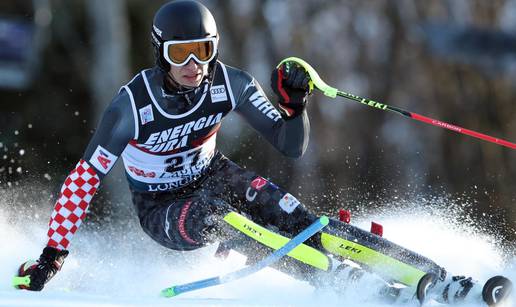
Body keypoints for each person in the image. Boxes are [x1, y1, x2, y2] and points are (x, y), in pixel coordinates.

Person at [15, 1, 473, 301]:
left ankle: (434, 277)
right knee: (218, 214)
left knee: (298, 217)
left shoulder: (230, 84)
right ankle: (339, 278)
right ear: (161, 53)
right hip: (161, 207)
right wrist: (54, 253)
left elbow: (289, 145)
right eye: (181, 54)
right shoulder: (131, 106)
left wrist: (296, 106)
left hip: (213, 172)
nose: (194, 66)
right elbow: (83, 179)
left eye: (204, 51)